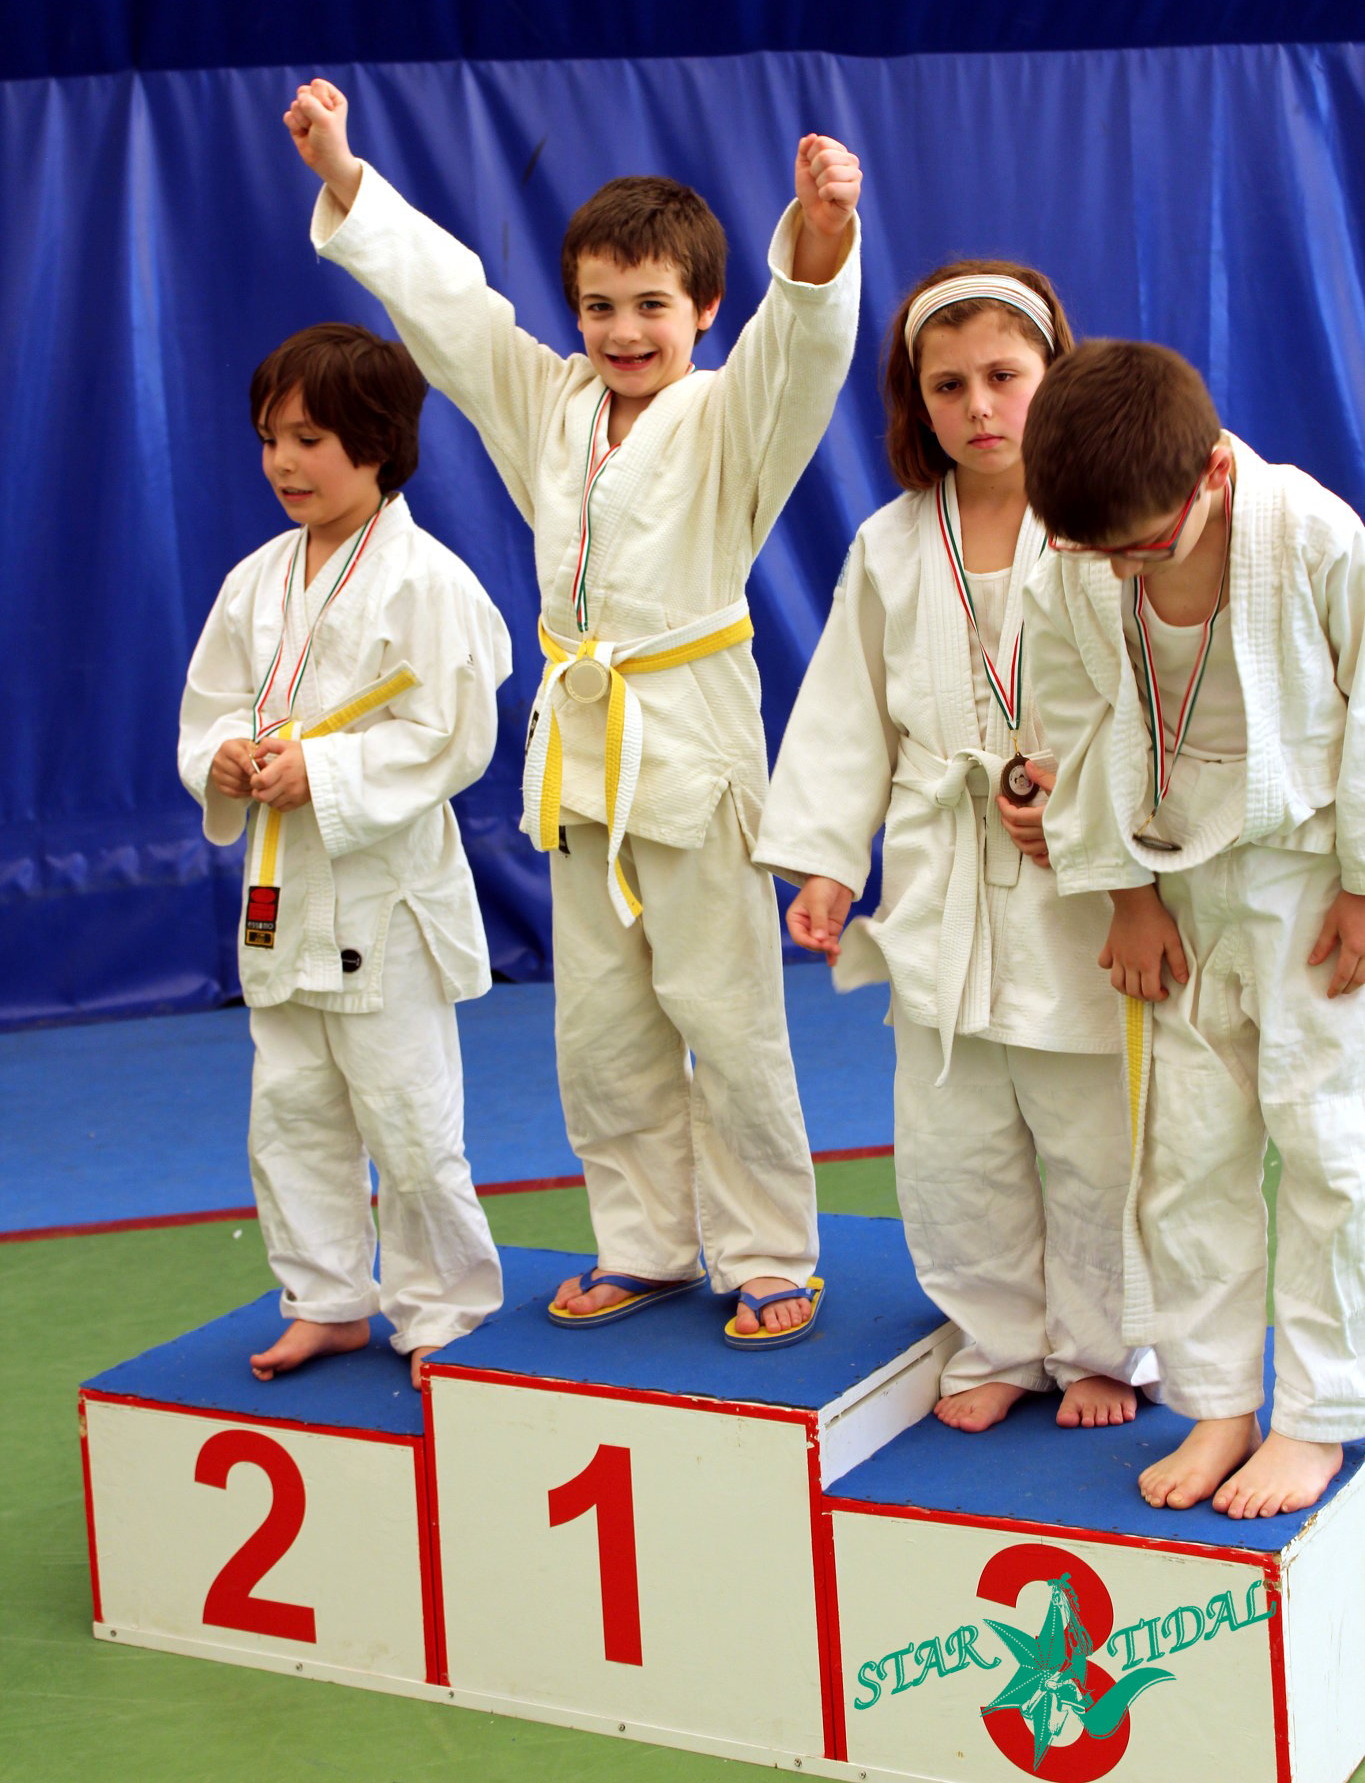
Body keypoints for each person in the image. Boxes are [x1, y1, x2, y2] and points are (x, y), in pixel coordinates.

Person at [281, 78, 862, 1344]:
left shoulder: (731, 416)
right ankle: (646, 1238)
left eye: (653, 304)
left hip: (693, 737)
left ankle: (769, 1248)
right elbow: (450, 310)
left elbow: (806, 348)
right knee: (600, 1023)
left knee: (728, 1009)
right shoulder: (549, 402)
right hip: (584, 753)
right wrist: (346, 176)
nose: (623, 328)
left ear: (707, 310)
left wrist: (819, 234)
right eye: (599, 304)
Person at [756, 264, 1142, 1428]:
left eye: (1005, 377)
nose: (980, 405)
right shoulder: (887, 542)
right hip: (938, 863)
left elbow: (1154, 698)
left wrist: (1083, 799)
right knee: (950, 1131)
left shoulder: (1105, 524)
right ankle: (992, 1337)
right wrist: (828, 858)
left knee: (1092, 1130)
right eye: (950, 384)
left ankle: (1105, 1344)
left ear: (1056, 375)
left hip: (1074, 868)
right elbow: (846, 711)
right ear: (915, 403)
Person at [1023, 338, 1365, 1516]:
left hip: (1309, 865)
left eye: (1141, 545)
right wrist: (1124, 889)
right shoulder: (1075, 562)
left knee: (1327, 1144)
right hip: (1172, 861)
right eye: (1094, 551)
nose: (1117, 569)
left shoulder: (1313, 536)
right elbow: (1066, 714)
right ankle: (1219, 1397)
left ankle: (1319, 1413)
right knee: (1187, 1150)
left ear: (1214, 471)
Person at [178, 322, 511, 1389]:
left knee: (408, 1116)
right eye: (272, 437)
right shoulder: (255, 579)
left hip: (383, 896)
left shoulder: (429, 580)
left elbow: (455, 736)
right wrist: (224, 757)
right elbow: (211, 703)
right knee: (290, 1110)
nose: (284, 461)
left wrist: (324, 774)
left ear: (377, 442)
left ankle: (442, 1304)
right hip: (281, 885)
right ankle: (323, 1294)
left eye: (311, 437)